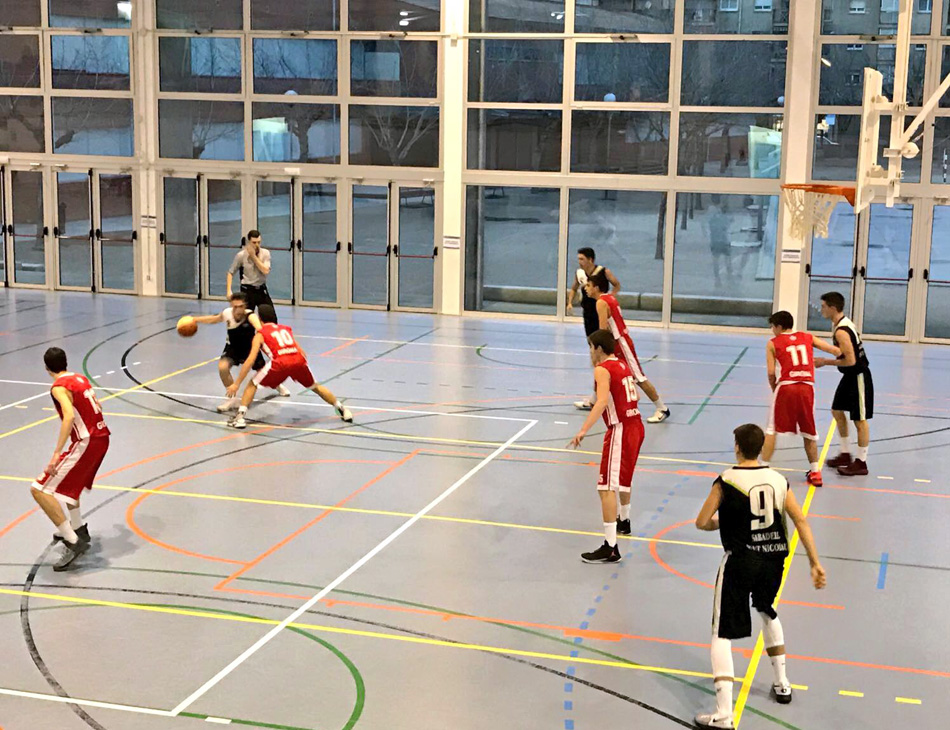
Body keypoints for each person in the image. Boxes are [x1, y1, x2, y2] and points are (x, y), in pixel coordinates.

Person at [693, 424, 827, 729]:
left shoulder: (727, 480)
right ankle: (782, 683)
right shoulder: (778, 479)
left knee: (721, 633)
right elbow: (800, 520)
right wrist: (815, 563)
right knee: (767, 609)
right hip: (774, 559)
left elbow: (702, 521)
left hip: (741, 560)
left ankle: (723, 715)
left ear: (738, 448)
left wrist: (722, 521)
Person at [30, 348, 111, 571]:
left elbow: (69, 416)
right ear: (66, 362)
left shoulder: (59, 387)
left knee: (39, 489)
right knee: (70, 487)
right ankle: (78, 528)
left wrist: (57, 453)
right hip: (101, 438)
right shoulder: (80, 379)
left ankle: (72, 541)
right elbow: (98, 406)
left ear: (47, 368)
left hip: (87, 441)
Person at [569, 330, 644, 562]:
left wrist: (583, 430)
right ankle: (624, 520)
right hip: (636, 425)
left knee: (606, 487)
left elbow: (601, 402)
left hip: (620, 429)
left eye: (590, 347)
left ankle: (610, 546)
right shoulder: (622, 365)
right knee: (621, 480)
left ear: (599, 349)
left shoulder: (602, 369)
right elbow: (636, 397)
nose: (590, 353)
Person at [226, 304, 353, 429]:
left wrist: (237, 384)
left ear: (260, 319)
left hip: (280, 363)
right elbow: (301, 351)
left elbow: (250, 361)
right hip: (298, 360)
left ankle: (240, 418)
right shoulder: (285, 329)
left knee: (252, 384)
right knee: (315, 386)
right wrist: (299, 369)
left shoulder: (260, 334)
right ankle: (342, 409)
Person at [761, 311, 840, 486]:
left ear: (779, 327)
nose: (772, 330)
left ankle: (763, 468)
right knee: (809, 430)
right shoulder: (808, 337)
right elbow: (834, 350)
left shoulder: (773, 343)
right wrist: (846, 353)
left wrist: (774, 389)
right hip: (807, 387)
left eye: (773, 327)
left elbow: (771, 372)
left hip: (787, 385)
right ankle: (815, 472)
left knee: (772, 429)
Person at [585, 269, 670, 424]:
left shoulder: (601, 303)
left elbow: (603, 330)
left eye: (588, 285)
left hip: (621, 344)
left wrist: (598, 348)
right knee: (603, 370)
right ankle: (593, 400)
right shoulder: (610, 297)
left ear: (596, 287)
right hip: (619, 341)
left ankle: (662, 408)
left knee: (638, 377)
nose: (586, 288)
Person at [189, 292, 290, 412]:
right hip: (232, 347)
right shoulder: (227, 313)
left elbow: (261, 329)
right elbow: (214, 319)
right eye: (235, 306)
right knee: (222, 367)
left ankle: (277, 385)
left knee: (263, 372)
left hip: (249, 348)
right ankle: (232, 398)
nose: (237, 309)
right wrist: (195, 319)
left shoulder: (251, 316)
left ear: (245, 306)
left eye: (240, 306)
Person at [814, 292, 873, 476]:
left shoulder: (841, 331)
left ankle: (861, 462)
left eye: (823, 306)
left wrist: (825, 361)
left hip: (858, 376)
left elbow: (851, 360)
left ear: (832, 308)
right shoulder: (841, 324)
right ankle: (845, 453)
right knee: (837, 410)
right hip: (849, 376)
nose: (821, 310)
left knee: (860, 420)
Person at [567, 247, 620, 410]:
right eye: (578, 259)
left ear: (591, 259)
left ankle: (604, 395)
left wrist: (609, 298)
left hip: (601, 314)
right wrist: (570, 302)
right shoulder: (579, 274)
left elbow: (617, 285)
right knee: (595, 352)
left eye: (582, 259)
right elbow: (574, 288)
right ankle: (597, 395)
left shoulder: (603, 272)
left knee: (604, 353)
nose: (579, 262)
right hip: (588, 315)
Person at [227, 229, 272, 311]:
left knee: (270, 313)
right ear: (249, 242)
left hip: (261, 288)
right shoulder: (241, 255)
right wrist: (229, 290)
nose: (257, 245)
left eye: (259, 242)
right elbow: (231, 272)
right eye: (254, 243)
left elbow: (265, 270)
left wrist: (253, 256)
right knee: (246, 315)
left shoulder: (265, 253)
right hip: (247, 290)